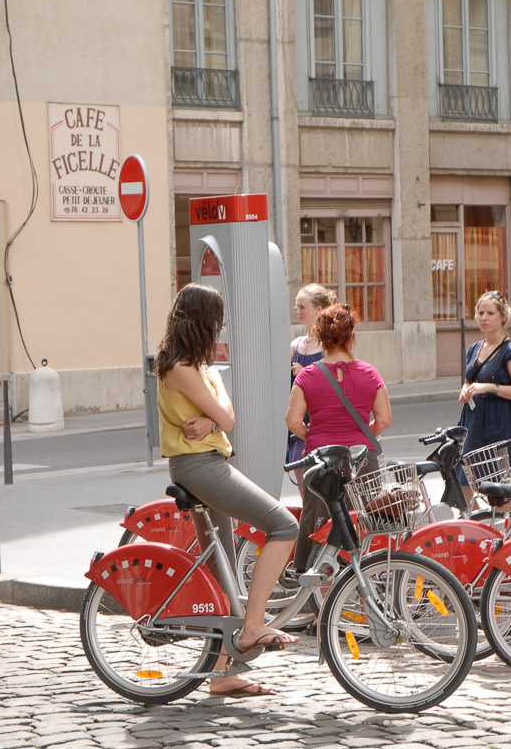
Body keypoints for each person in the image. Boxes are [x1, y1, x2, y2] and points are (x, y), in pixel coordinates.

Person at [154, 283, 302, 697]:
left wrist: (213, 418)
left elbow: (223, 415)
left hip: (205, 462)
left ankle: (221, 674)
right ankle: (253, 626)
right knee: (282, 526)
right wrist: (216, 414)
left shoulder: (194, 366)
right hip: (199, 466)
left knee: (222, 572)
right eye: (216, 320)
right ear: (204, 321)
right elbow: (228, 415)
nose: (220, 328)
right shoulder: (183, 368)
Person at [286, 303, 391, 574]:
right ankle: (364, 580)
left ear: (320, 337)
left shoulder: (307, 376)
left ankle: (309, 584)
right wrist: (361, 437)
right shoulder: (370, 373)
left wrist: (314, 436)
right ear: (351, 336)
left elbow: (293, 421)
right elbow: (383, 420)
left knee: (315, 520)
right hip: (361, 459)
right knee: (362, 521)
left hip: (321, 460)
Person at [456, 291, 511, 503]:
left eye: (490, 313)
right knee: (466, 480)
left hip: (500, 424)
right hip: (473, 423)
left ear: (503, 317)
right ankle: (476, 526)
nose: (484, 318)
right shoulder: (474, 349)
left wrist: (489, 387)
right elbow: (469, 380)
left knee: (499, 488)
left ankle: (502, 530)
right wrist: (465, 389)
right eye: (480, 313)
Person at [285, 284, 335, 465]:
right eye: (297, 307)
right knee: (302, 484)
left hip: (322, 426)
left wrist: (305, 373)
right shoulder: (296, 344)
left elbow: (335, 384)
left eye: (302, 307)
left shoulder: (329, 345)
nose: (298, 312)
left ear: (319, 309)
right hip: (299, 427)